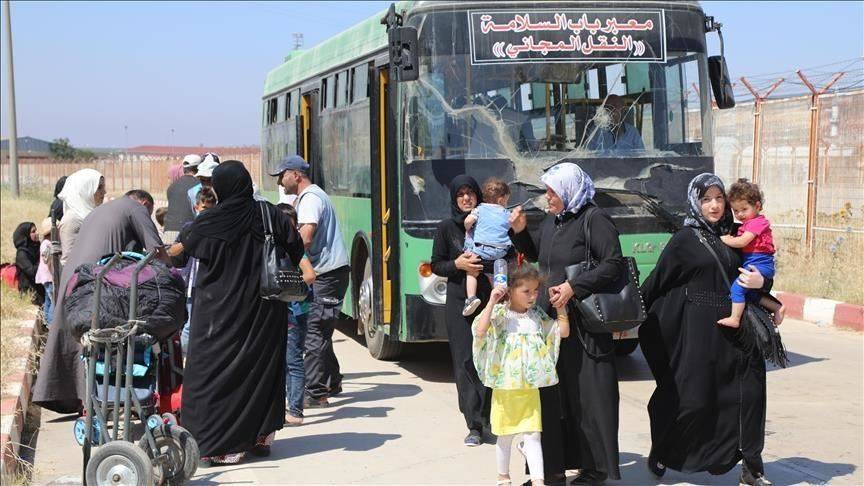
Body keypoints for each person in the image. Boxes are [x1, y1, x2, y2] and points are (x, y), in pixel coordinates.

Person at [638, 173, 776, 486]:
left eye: (718, 198)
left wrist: (764, 284)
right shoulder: (685, 239)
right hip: (700, 330)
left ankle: (751, 467)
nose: (714, 205)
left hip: (738, 328)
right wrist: (630, 317)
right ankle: (663, 447)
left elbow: (761, 265)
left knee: (748, 397)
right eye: (706, 199)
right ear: (696, 202)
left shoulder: (738, 231)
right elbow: (657, 281)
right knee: (692, 400)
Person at [179, 161, 303, 465]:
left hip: (219, 314)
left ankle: (221, 444)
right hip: (265, 308)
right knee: (262, 369)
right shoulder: (270, 213)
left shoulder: (209, 222)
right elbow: (296, 248)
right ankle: (260, 436)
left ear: (220, 188)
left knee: (213, 372)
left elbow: (188, 250)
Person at [509, 162, 624, 485]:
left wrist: (575, 287)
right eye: (547, 191)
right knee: (551, 399)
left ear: (570, 191)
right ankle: (550, 470)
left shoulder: (594, 219)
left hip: (584, 326)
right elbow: (539, 255)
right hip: (551, 324)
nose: (548, 198)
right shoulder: (553, 220)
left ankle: (595, 468)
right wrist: (519, 232)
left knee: (586, 398)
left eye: (552, 192)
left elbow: (613, 263)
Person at [33, 190, 165, 414]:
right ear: (144, 203)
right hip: (99, 283)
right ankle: (112, 396)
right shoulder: (136, 208)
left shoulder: (99, 211)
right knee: (111, 339)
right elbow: (157, 251)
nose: (148, 214)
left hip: (75, 279)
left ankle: (75, 397)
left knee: (79, 341)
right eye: (149, 211)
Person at [473, 266, 569, 486]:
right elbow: (479, 331)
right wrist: (491, 302)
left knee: (533, 434)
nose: (533, 296)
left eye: (535, 291)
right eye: (526, 291)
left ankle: (538, 481)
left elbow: (562, 332)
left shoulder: (537, 316)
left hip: (529, 388)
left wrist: (561, 308)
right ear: (511, 290)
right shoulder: (500, 314)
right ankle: (503, 477)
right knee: (505, 435)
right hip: (505, 387)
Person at [271, 154, 350, 409]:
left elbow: (304, 238)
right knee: (321, 330)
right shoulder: (310, 196)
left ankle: (316, 392)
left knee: (314, 333)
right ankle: (333, 380)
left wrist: (281, 257)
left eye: (282, 176)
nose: (281, 183)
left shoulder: (310, 200)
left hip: (327, 274)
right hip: (329, 273)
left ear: (296, 174)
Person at [431, 174, 491, 446]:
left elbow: (505, 253)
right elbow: (436, 265)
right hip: (459, 304)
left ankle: (493, 416)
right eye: (461, 194)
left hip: (490, 301)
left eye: (471, 193)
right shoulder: (446, 228)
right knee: (466, 360)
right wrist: (458, 265)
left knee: (491, 359)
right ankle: (474, 424)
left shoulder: (489, 222)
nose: (467, 198)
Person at [718, 179, 779, 328]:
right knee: (749, 293)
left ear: (757, 206)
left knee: (736, 289)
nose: (739, 214)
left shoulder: (757, 223)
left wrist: (726, 239)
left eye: (744, 209)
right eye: (736, 211)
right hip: (756, 263)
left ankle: (735, 318)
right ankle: (777, 307)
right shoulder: (747, 224)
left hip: (759, 264)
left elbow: (742, 242)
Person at [276, 203, 316, 426]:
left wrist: (286, 288)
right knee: (286, 361)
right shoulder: (277, 246)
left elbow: (310, 275)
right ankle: (289, 405)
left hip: (296, 311)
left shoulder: (294, 248)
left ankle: (296, 411)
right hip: (288, 311)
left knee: (293, 361)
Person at [168, 187, 217, 357]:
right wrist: (188, 242)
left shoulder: (219, 228)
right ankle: (185, 360)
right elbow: (172, 252)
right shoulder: (189, 228)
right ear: (196, 207)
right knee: (190, 325)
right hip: (193, 284)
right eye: (204, 209)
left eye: (211, 209)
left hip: (213, 283)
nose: (206, 213)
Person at [462, 177, 513, 316]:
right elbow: (513, 229)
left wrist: (469, 227)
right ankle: (500, 298)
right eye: (507, 200)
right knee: (497, 272)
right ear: (501, 200)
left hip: (481, 250)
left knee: (472, 271)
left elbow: (468, 221)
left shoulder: (479, 209)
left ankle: (471, 297)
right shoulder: (507, 213)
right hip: (501, 252)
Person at [57, 168, 105, 266]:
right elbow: (68, 260)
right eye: (99, 187)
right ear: (85, 190)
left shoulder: (93, 214)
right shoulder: (71, 220)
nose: (104, 192)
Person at [164, 154, 201, 242]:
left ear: (184, 169)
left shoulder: (172, 186)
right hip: (188, 233)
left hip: (169, 232)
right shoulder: (199, 185)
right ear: (199, 168)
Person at [13, 222, 45, 305]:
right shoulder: (22, 253)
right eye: (33, 232)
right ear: (26, 235)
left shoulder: (37, 246)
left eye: (36, 230)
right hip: (30, 292)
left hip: (41, 287)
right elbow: (32, 272)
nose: (37, 233)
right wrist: (43, 260)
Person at [36, 219, 56, 324]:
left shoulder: (47, 243)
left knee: (48, 299)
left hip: (46, 276)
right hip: (48, 276)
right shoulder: (47, 244)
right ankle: (51, 322)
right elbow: (46, 258)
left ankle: (47, 320)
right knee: (53, 300)